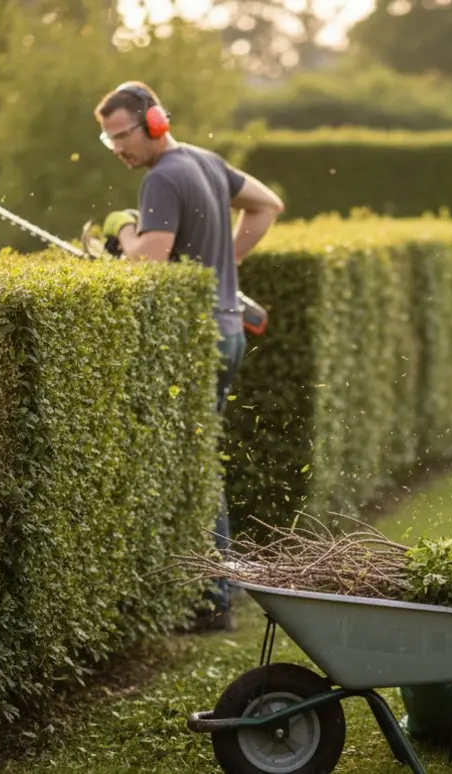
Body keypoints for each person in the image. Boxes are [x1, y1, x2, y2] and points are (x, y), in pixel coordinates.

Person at [94, 81, 284, 632]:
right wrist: (226, 262)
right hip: (227, 330)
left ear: (153, 122)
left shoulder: (162, 178)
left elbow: (149, 266)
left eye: (122, 136)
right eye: (108, 141)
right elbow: (267, 205)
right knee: (198, 462)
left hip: (198, 338)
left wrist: (123, 233)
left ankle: (212, 598)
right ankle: (212, 591)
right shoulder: (206, 162)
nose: (119, 149)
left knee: (193, 466)